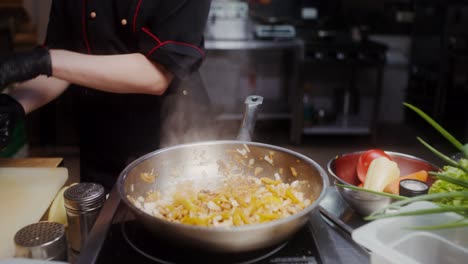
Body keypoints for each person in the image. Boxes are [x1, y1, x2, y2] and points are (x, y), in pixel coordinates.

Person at [0, 0, 214, 190]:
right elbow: (63, 66)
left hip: (169, 137)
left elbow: (156, 76)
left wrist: (42, 61)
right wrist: (15, 103)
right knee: (102, 228)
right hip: (100, 138)